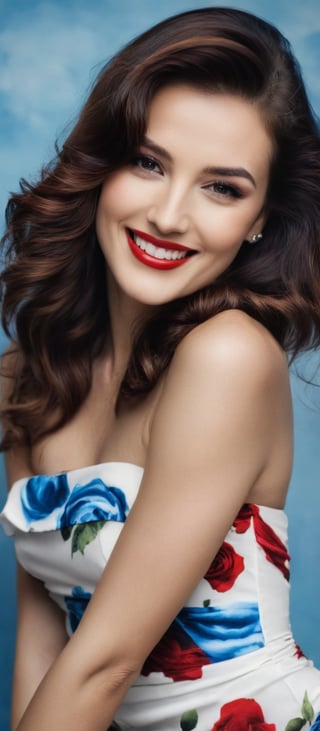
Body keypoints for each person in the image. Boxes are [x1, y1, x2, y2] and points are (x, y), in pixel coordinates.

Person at [1, 6, 320, 730]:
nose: (170, 215)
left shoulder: (229, 354)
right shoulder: (25, 373)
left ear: (261, 217)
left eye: (223, 187)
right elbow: (45, 642)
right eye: (148, 162)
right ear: (102, 163)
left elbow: (107, 661)